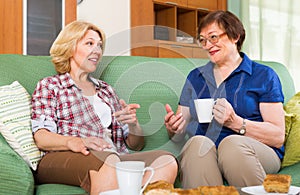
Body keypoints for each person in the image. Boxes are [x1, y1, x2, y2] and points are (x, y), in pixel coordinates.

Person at [31, 20, 178, 195]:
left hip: (112, 155)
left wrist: (133, 125)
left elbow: (135, 145)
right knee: (109, 159)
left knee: (166, 160)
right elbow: (41, 137)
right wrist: (77, 142)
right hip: (63, 156)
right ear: (70, 47)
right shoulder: (51, 86)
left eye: (99, 46)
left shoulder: (106, 90)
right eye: (89, 43)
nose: (97, 51)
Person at [164, 10, 285, 189]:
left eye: (213, 37)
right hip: (208, 153)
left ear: (235, 36)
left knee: (231, 144)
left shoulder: (264, 75)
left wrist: (236, 123)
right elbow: (178, 134)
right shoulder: (196, 77)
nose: (207, 45)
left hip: (256, 151)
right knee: (196, 143)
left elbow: (277, 136)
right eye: (203, 40)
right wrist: (174, 128)